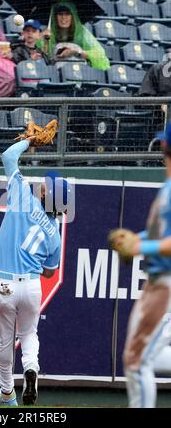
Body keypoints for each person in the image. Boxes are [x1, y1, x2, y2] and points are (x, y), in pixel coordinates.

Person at [0, 137, 72, 406]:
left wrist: (29, 140)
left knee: (4, 340)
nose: (44, 184)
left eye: (48, 185)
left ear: (47, 195)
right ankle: (31, 368)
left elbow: (7, 155)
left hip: (4, 283)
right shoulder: (55, 235)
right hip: (32, 287)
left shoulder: (23, 195)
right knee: (29, 335)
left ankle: (7, 393)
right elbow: (50, 272)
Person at [110, 122, 171, 408]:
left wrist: (140, 246)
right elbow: (162, 234)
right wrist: (140, 238)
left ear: (163, 147)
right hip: (157, 281)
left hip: (167, 284)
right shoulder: (168, 187)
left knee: (137, 361)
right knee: (135, 358)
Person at [40, 2, 110, 70]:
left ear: (73, 16)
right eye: (60, 14)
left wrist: (75, 52)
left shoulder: (83, 33)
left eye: (67, 14)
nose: (63, 17)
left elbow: (99, 54)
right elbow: (41, 60)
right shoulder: (46, 33)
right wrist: (45, 42)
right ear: (55, 17)